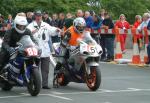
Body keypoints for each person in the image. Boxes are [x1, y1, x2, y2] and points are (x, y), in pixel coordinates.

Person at [27, 10, 61, 89]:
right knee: (35, 68)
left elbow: (52, 30)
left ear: (41, 16)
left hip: (45, 50)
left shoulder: (45, 25)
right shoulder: (30, 25)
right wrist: (32, 32)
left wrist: (57, 30)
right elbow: (27, 34)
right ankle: (35, 83)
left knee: (45, 69)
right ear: (35, 16)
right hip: (35, 49)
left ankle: (45, 84)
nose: (39, 17)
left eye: (40, 16)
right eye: (37, 16)